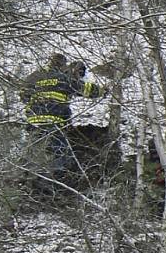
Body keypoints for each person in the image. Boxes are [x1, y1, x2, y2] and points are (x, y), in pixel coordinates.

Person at [20, 53, 105, 189]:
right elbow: (86, 90)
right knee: (61, 153)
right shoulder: (63, 78)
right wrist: (102, 91)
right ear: (62, 65)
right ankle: (55, 185)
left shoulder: (34, 76)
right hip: (55, 120)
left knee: (33, 148)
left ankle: (25, 178)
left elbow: (23, 95)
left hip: (34, 120)